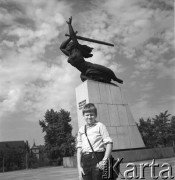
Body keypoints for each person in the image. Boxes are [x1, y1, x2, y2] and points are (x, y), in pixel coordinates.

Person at [60, 17, 123, 85]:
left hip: (89, 66)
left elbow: (73, 36)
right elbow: (61, 47)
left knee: (107, 70)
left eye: (69, 45)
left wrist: (69, 25)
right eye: (67, 45)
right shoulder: (69, 54)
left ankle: (115, 78)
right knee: (89, 80)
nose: (67, 46)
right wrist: (69, 39)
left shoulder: (77, 49)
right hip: (84, 71)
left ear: (72, 46)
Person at [76, 103, 113, 180]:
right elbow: (79, 149)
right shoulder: (81, 130)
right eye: (87, 115)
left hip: (98, 158)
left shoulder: (100, 126)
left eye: (91, 115)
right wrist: (79, 167)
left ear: (95, 115)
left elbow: (109, 143)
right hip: (85, 160)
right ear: (83, 116)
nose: (89, 117)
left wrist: (104, 160)